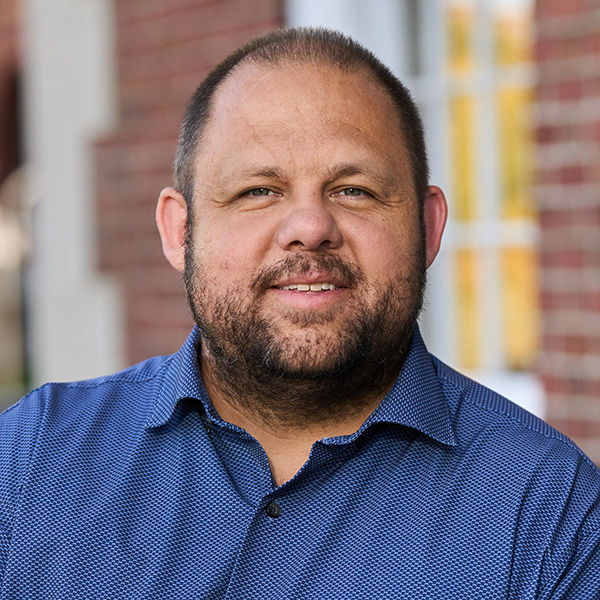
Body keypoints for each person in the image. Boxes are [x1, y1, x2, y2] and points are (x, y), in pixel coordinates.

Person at [1, 27, 599, 599]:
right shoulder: (30, 460)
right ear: (180, 231)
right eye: (258, 190)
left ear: (426, 226)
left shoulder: (551, 515)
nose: (310, 228)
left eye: (354, 190)